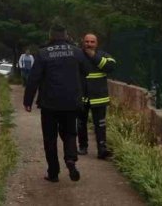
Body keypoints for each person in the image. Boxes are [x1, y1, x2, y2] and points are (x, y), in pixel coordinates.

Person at [24, 24, 89, 183]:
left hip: (49, 103)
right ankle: (71, 159)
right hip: (71, 102)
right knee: (69, 133)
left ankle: (53, 173)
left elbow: (33, 79)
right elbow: (86, 72)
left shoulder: (43, 53)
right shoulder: (77, 52)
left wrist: (28, 100)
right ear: (66, 35)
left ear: (50, 36)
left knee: (50, 138)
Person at [77, 33, 117, 159]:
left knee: (100, 124)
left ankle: (102, 149)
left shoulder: (104, 55)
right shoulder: (77, 55)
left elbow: (110, 67)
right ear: (83, 42)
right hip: (82, 96)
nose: (89, 44)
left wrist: (93, 56)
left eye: (92, 42)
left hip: (99, 97)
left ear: (96, 43)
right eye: (87, 41)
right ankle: (83, 147)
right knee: (81, 123)